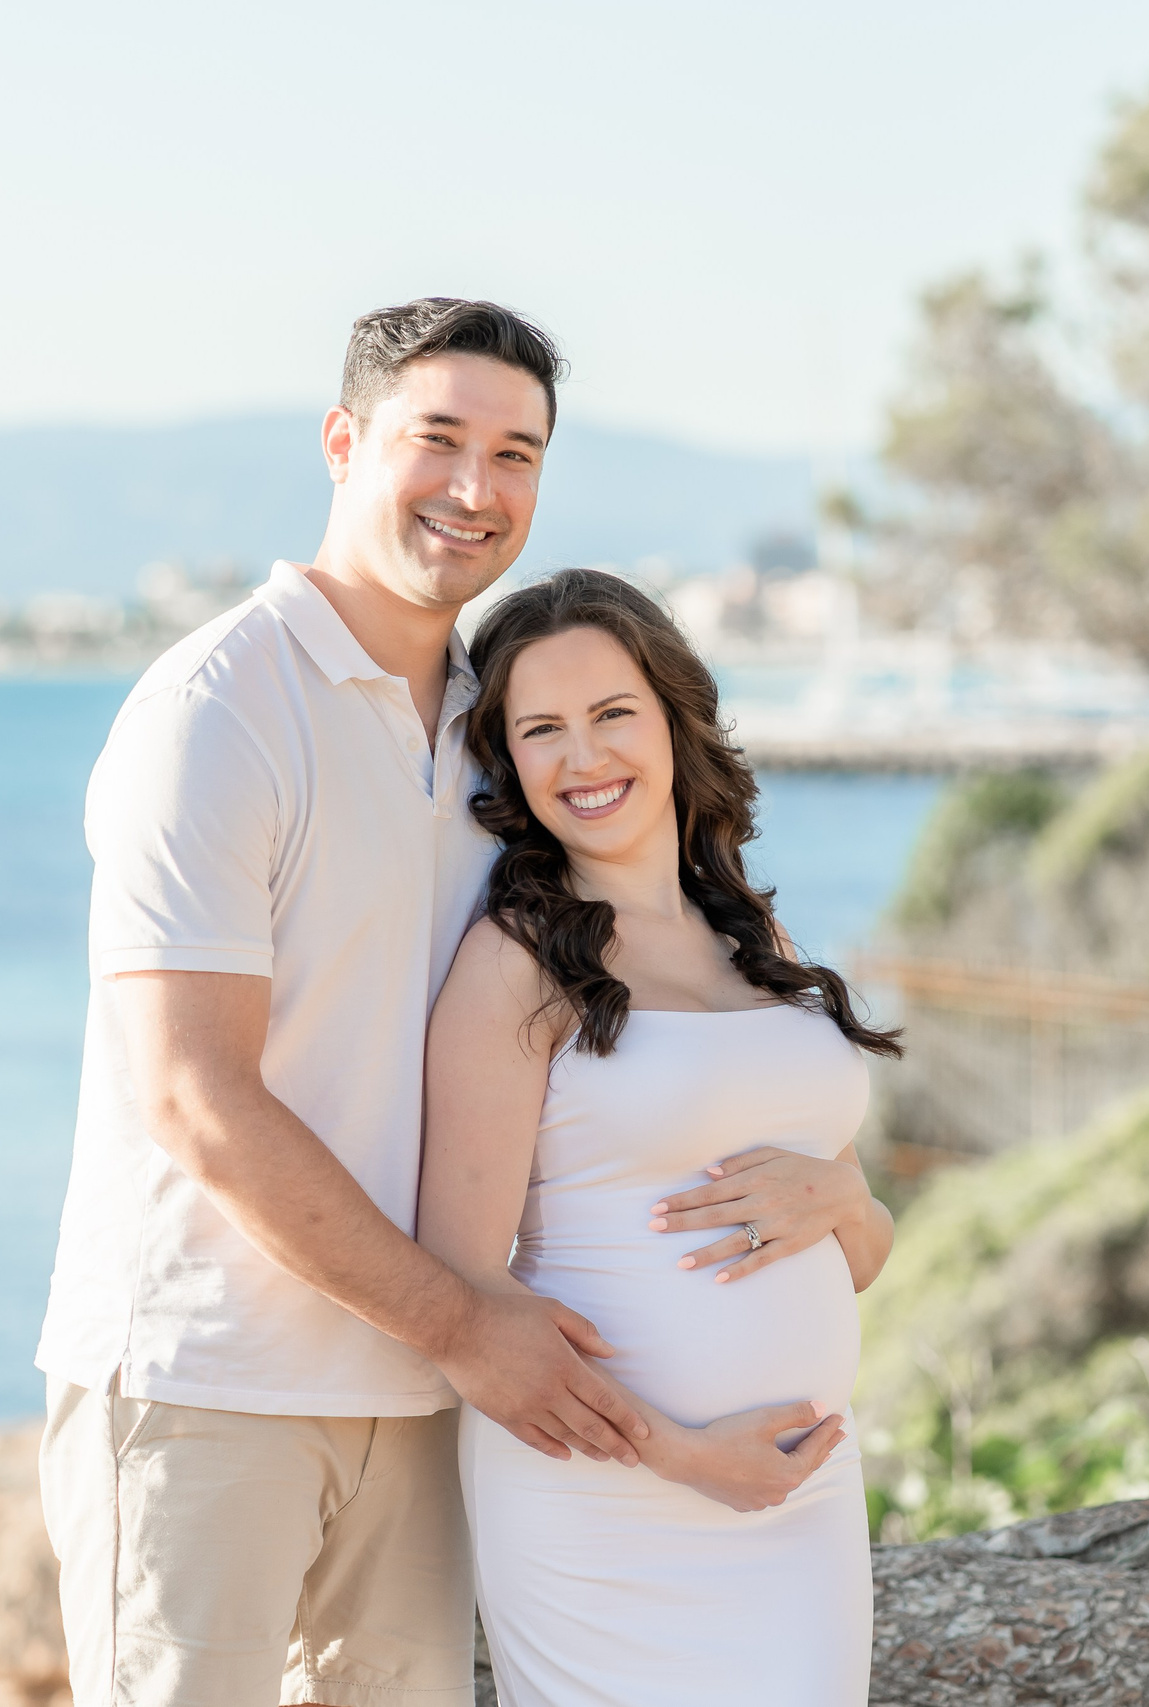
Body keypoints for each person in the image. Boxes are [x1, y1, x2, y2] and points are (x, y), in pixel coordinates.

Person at [32, 301, 823, 1707]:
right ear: (344, 443)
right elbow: (193, 1095)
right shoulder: (217, 708)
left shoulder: (496, 726)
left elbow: (652, 987)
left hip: (428, 1406)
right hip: (210, 1377)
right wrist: (464, 1323)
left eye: (516, 453)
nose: (477, 488)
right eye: (437, 439)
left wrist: (833, 1183)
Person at [419, 567, 903, 1707]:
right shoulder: (515, 965)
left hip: (800, 1494)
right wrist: (684, 1456)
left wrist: (844, 1205)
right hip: (607, 1499)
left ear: (675, 720)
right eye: (541, 730)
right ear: (508, 763)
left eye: (610, 715)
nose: (583, 759)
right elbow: (460, 1299)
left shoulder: (756, 938)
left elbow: (863, 1250)